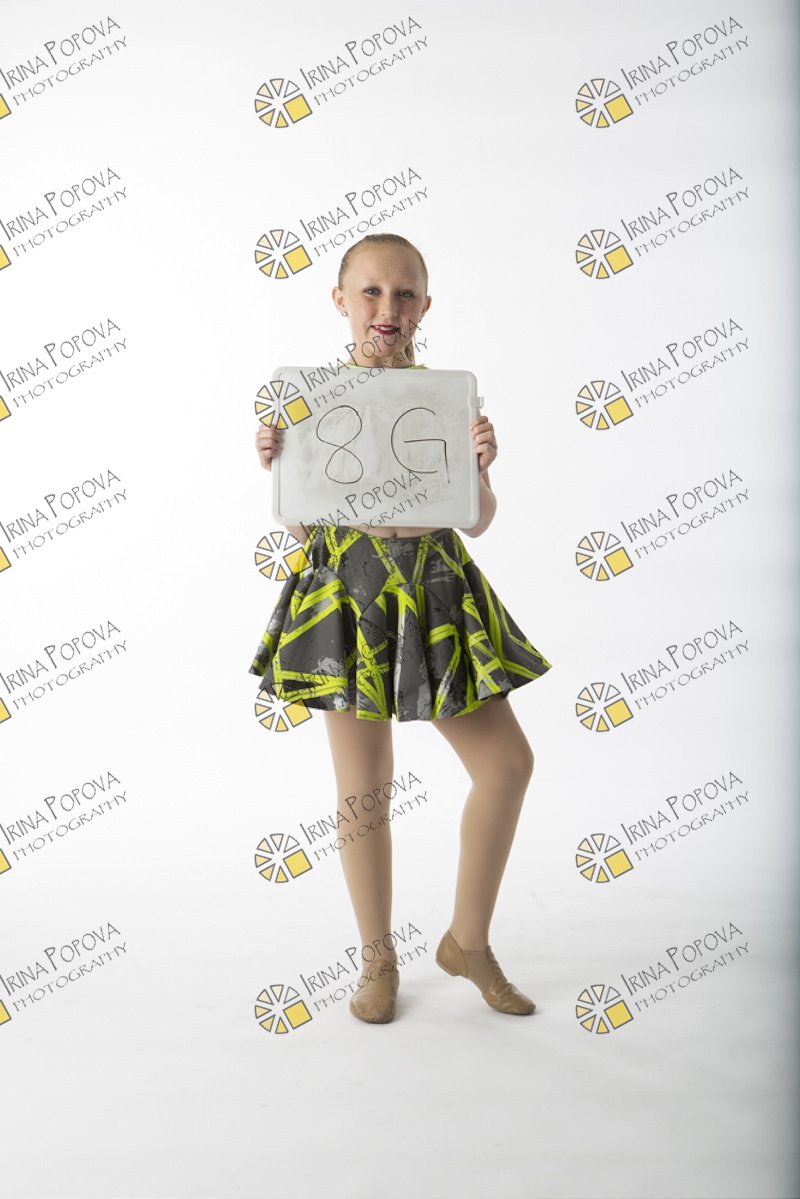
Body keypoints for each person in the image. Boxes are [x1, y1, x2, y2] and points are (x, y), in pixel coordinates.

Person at [250, 233, 553, 1024]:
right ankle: (376, 958)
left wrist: (482, 471)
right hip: (346, 593)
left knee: (507, 764)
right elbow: (304, 528)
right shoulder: (310, 399)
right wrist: (281, 467)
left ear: (425, 306)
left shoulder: (445, 398)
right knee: (364, 791)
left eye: (405, 293)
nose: (388, 308)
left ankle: (467, 942)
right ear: (340, 300)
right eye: (372, 291)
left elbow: (475, 521)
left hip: (435, 590)